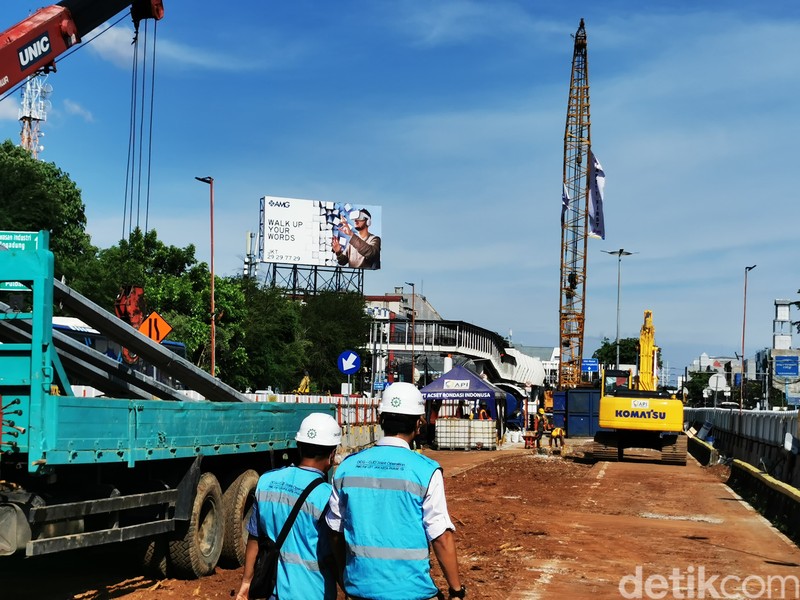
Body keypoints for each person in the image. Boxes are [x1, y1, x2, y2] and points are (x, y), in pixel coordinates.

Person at [326, 382, 465, 600]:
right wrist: (456, 590)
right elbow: (441, 537)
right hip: (412, 592)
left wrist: (346, 578)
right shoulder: (426, 470)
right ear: (418, 424)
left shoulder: (346, 468)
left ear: (380, 419)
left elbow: (335, 532)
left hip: (360, 590)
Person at [235, 413, 341, 600]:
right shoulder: (328, 496)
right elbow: (335, 549)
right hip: (313, 592)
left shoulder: (266, 481)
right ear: (331, 454)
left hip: (272, 592)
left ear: (299, 446)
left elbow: (254, 537)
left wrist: (246, 582)